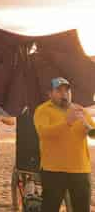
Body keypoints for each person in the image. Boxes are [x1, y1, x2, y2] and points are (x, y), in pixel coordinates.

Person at [34, 77, 94, 212]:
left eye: (67, 91)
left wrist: (86, 123)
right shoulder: (43, 110)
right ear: (50, 94)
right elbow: (44, 133)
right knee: (50, 208)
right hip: (53, 170)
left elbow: (93, 134)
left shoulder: (80, 110)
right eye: (59, 91)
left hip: (80, 169)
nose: (64, 94)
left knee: (82, 209)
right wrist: (67, 122)